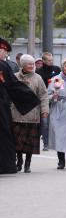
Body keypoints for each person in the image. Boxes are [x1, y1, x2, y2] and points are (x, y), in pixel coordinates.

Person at [0, 38, 40, 175]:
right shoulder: (3, 66)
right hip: (1, 106)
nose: (6, 56)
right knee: (4, 134)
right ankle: (4, 166)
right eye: (5, 52)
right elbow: (12, 86)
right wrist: (30, 98)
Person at [11, 55, 49, 173]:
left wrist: (45, 110)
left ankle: (27, 163)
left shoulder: (38, 78)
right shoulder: (15, 77)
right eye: (29, 64)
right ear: (22, 65)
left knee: (30, 143)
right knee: (17, 142)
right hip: (17, 114)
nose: (32, 66)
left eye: (33, 64)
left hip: (33, 115)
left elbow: (43, 95)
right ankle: (19, 161)